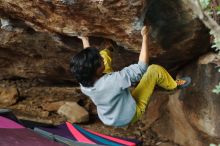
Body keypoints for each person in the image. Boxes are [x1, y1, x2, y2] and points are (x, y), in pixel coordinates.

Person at [70, 26, 191, 127]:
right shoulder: (113, 81)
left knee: (104, 57)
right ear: (96, 71)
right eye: (99, 61)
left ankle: (110, 49)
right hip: (130, 114)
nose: (101, 59)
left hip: (110, 118)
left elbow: (88, 65)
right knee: (154, 70)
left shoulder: (84, 83)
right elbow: (141, 68)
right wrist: (145, 36)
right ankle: (174, 85)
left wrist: (85, 40)